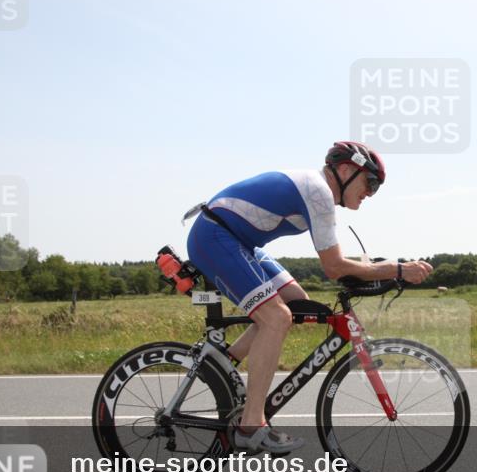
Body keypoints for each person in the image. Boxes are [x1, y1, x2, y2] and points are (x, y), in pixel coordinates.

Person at [183, 141, 433, 452]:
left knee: (295, 302)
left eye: (376, 187)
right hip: (215, 235)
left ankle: (223, 364)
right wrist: (397, 269)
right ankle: (250, 426)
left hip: (237, 240)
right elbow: (334, 267)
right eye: (370, 182)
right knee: (276, 317)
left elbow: (338, 264)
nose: (370, 192)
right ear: (344, 170)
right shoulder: (319, 192)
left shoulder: (317, 191)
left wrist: (376, 269)